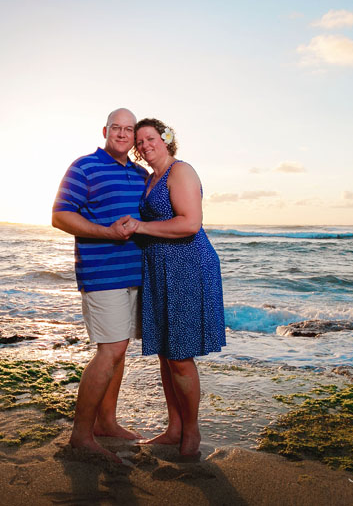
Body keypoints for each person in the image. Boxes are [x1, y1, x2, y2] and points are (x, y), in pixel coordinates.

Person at [123, 118, 225, 457]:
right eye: (139, 142)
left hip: (187, 266)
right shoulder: (151, 178)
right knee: (167, 355)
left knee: (180, 356)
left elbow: (190, 223)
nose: (144, 145)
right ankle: (174, 428)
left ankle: (191, 432)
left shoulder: (180, 171)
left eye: (150, 138)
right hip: (160, 268)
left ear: (166, 139)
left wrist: (141, 225)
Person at [52, 107, 148, 462]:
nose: (122, 134)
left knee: (120, 350)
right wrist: (106, 232)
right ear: (105, 130)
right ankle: (81, 435)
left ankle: (107, 422)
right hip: (101, 272)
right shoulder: (84, 166)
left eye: (129, 129)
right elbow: (60, 215)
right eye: (116, 128)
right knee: (109, 352)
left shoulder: (140, 172)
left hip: (135, 274)